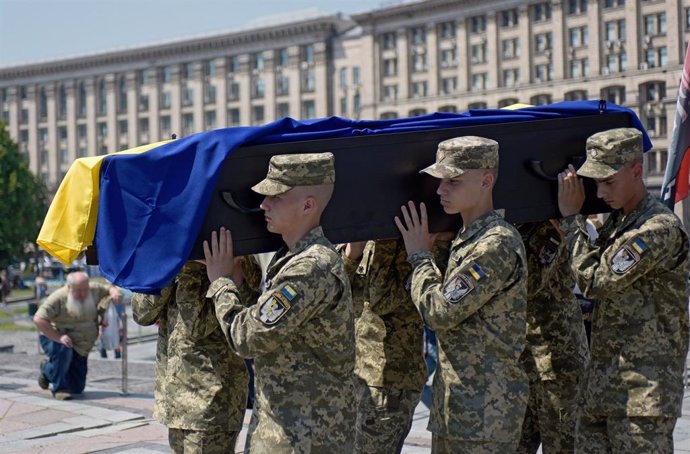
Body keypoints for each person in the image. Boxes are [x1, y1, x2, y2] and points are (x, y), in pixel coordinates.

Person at [202, 152, 356, 453]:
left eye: (275, 197)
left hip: (303, 434)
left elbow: (247, 338)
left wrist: (220, 282)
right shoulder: (294, 257)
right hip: (289, 425)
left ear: (307, 205)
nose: (263, 205)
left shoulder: (310, 267)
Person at [557, 127, 689, 453]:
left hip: (641, 396)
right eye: (596, 182)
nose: (600, 192)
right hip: (602, 387)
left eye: (609, 182)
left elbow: (594, 281)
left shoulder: (656, 228)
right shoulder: (619, 222)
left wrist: (572, 220)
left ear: (636, 171)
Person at [395, 136, 529, 453]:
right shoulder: (468, 238)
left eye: (453, 181)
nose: (441, 190)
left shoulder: (494, 244)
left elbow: (440, 311)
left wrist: (419, 257)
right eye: (441, 181)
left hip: (485, 415)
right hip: (459, 408)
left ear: (486, 181)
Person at [342, 238, 449, 453]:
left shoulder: (410, 241)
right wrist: (352, 254)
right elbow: (337, 297)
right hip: (356, 375)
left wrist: (385, 240)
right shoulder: (363, 237)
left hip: (387, 383)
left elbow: (381, 300)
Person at [132, 262, 249, 453]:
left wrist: (191, 267)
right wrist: (167, 268)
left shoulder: (233, 257)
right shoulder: (169, 260)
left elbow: (196, 325)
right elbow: (141, 313)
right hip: (175, 400)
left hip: (210, 403)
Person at [516, 221, 590, 453]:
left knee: (562, 446)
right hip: (522, 362)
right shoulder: (516, 226)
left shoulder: (551, 226)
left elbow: (531, 282)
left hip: (557, 364)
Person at [33, 271, 121, 400]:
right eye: (78, 290)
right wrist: (58, 337)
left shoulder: (94, 289)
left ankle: (48, 370)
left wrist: (115, 293)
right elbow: (38, 319)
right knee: (63, 350)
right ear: (69, 287)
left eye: (85, 289)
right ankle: (59, 389)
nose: (83, 294)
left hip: (81, 344)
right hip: (56, 337)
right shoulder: (57, 298)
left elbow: (110, 288)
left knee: (77, 388)